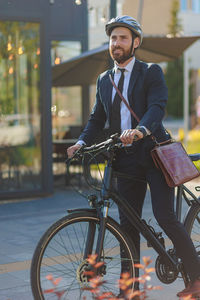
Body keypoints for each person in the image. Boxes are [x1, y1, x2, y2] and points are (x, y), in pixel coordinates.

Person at [67, 15, 200, 298]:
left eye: (123, 38)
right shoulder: (104, 80)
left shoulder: (151, 72)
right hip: (124, 161)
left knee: (165, 217)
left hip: (154, 155)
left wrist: (140, 130)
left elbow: (157, 107)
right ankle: (132, 290)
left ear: (135, 42)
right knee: (128, 227)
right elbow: (96, 119)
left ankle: (197, 278)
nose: (116, 43)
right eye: (113, 38)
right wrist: (81, 142)